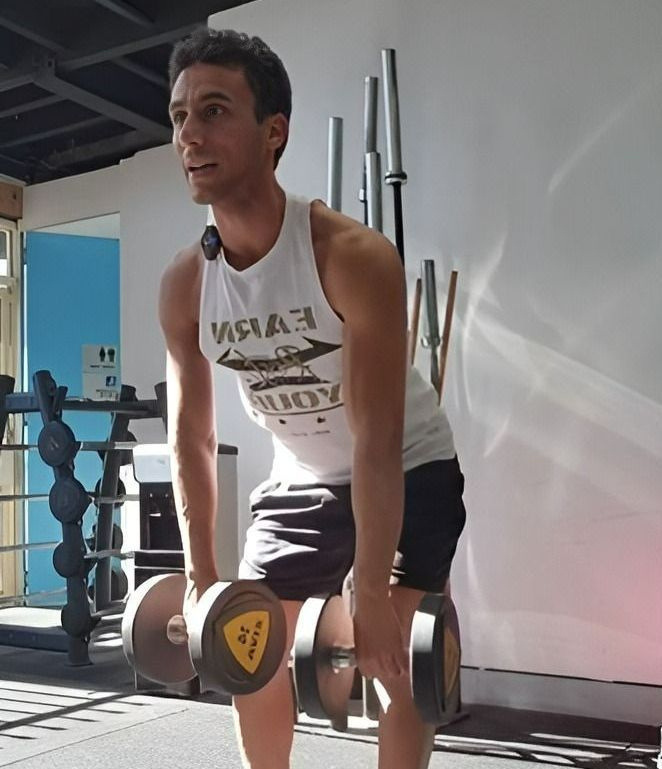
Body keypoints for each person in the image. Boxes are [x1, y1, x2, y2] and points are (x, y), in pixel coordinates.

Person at [159, 26, 466, 769]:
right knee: (248, 644)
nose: (190, 135)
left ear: (274, 133)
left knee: (395, 656)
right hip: (298, 475)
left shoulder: (353, 258)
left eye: (214, 111)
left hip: (409, 465)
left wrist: (367, 591)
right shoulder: (186, 286)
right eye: (178, 116)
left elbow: (376, 438)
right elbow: (191, 438)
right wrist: (203, 584)